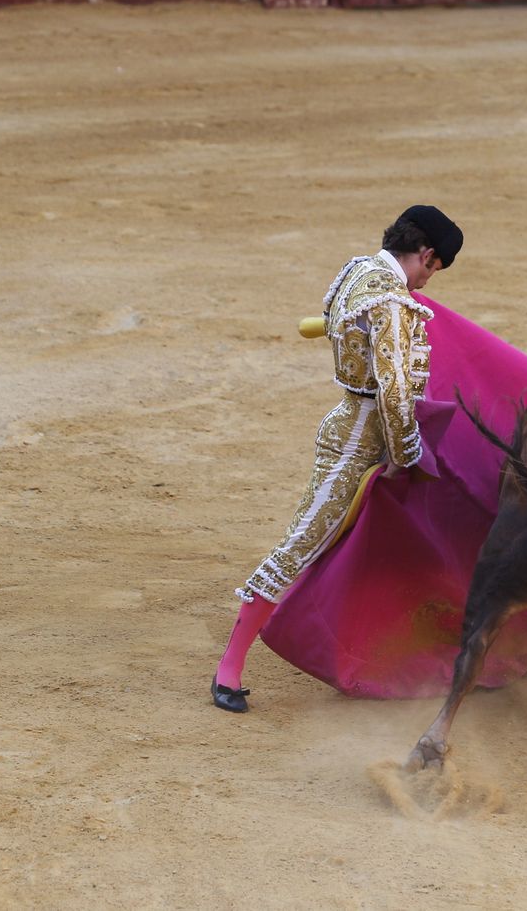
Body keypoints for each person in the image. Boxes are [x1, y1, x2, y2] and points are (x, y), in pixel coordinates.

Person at [211, 205, 464, 713]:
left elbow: (331, 322)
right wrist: (409, 455)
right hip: (358, 443)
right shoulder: (393, 304)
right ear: (426, 255)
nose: (428, 282)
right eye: (433, 270)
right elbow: (394, 395)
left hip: (351, 422)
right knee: (302, 543)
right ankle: (229, 670)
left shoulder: (357, 271)